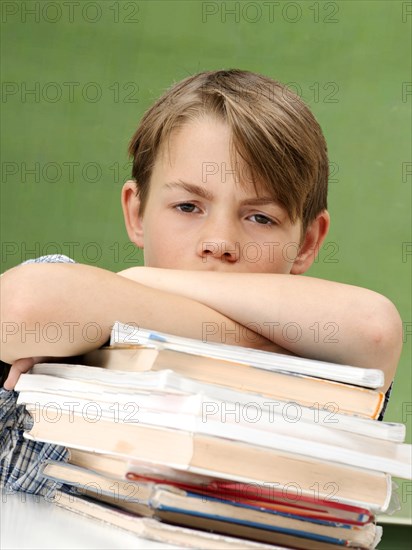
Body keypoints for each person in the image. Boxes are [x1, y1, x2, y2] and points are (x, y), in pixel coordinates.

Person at [0, 69, 402, 495]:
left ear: (306, 243)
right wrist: (254, 341)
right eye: (188, 206)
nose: (219, 242)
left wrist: (143, 282)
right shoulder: (69, 290)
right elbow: (22, 306)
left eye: (260, 217)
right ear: (136, 214)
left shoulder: (326, 350)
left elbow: (374, 329)